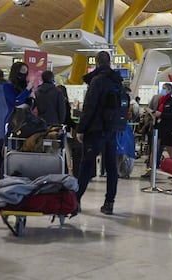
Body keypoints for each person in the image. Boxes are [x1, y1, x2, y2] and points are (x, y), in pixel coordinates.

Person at [75, 51, 123, 215]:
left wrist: (80, 129)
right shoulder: (117, 81)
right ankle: (109, 203)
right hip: (111, 130)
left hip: (95, 130)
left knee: (86, 166)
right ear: (109, 62)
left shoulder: (97, 81)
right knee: (111, 168)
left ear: (96, 63)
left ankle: (76, 200)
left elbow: (89, 107)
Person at [141, 83, 172, 178]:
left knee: (171, 151)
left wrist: (160, 114)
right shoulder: (160, 101)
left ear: (169, 90)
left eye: (164, 88)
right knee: (154, 150)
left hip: (168, 129)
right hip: (158, 128)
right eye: (162, 88)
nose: (162, 90)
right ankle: (151, 170)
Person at [3, 61, 34, 131]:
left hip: (26, 120)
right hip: (12, 120)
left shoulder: (26, 86)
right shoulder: (7, 86)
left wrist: (32, 97)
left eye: (26, 72)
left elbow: (31, 105)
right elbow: (16, 102)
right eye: (23, 70)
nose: (24, 74)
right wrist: (27, 90)